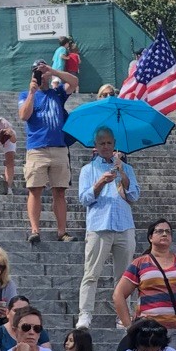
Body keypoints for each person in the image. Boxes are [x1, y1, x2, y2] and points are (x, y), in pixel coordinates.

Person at [77, 126, 141, 327]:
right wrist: (100, 183)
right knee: (91, 273)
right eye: (102, 143)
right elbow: (84, 198)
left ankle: (123, 316)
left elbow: (134, 195)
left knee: (125, 277)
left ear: (114, 145)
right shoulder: (88, 170)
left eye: (109, 143)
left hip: (124, 226)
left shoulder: (126, 168)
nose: (106, 146)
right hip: (99, 226)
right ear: (95, 146)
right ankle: (85, 313)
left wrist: (123, 174)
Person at [116, 217, 176, 351]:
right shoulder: (140, 263)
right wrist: (129, 327)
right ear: (150, 237)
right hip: (149, 330)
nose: (164, 234)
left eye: (168, 232)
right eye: (160, 231)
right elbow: (118, 295)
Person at [18, 56, 81, 244]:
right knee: (34, 189)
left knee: (60, 191)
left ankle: (62, 231)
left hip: (59, 147)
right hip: (37, 148)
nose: (40, 74)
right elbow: (23, 115)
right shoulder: (25, 94)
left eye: (42, 70)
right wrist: (31, 92)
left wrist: (53, 71)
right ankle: (35, 229)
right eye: (37, 71)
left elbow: (74, 82)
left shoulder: (58, 93)